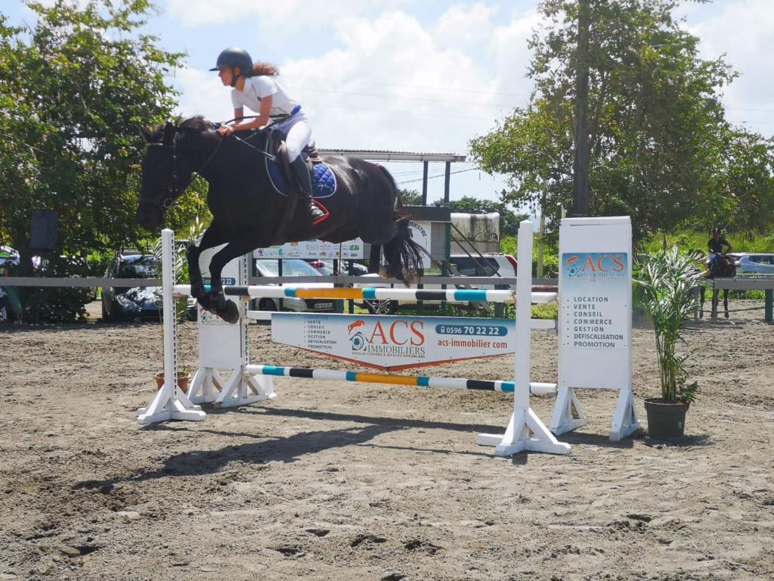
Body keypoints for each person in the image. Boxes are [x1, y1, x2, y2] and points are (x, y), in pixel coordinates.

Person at [210, 47, 325, 222]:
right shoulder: (235, 94)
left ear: (236, 70)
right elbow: (239, 124)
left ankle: (310, 203)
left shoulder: (262, 82)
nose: (219, 76)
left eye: (222, 71)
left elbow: (262, 120)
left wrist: (233, 128)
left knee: (291, 150)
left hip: (295, 120)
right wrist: (221, 128)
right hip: (275, 125)